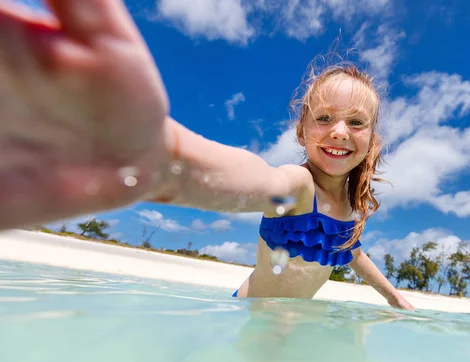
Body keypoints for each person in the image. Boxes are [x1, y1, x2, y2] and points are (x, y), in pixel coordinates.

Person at [0, 1, 414, 310]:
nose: (340, 131)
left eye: (356, 122)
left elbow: (355, 254)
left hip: (296, 322)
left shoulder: (349, 211)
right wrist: (168, 163)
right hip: (251, 313)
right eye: (324, 118)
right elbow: (259, 182)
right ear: (301, 131)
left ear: (371, 138)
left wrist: (396, 300)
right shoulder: (297, 185)